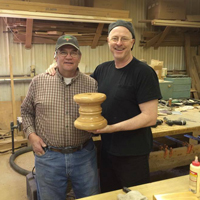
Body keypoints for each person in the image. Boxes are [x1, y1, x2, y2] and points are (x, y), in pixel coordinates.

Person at [46, 20, 162, 193]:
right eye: (115, 38)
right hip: (107, 150)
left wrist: (112, 128)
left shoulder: (143, 72)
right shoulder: (103, 70)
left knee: (134, 196)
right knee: (109, 194)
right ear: (108, 41)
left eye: (124, 38)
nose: (119, 43)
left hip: (133, 153)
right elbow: (81, 84)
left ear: (132, 42)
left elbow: (150, 117)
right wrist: (59, 66)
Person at [21, 35, 99, 200]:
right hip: (48, 157)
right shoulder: (39, 82)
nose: (68, 56)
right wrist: (31, 136)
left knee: (91, 198)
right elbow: (26, 111)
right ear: (55, 56)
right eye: (63, 52)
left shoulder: (91, 84)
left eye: (73, 52)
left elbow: (97, 113)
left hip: (84, 155)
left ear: (80, 57)